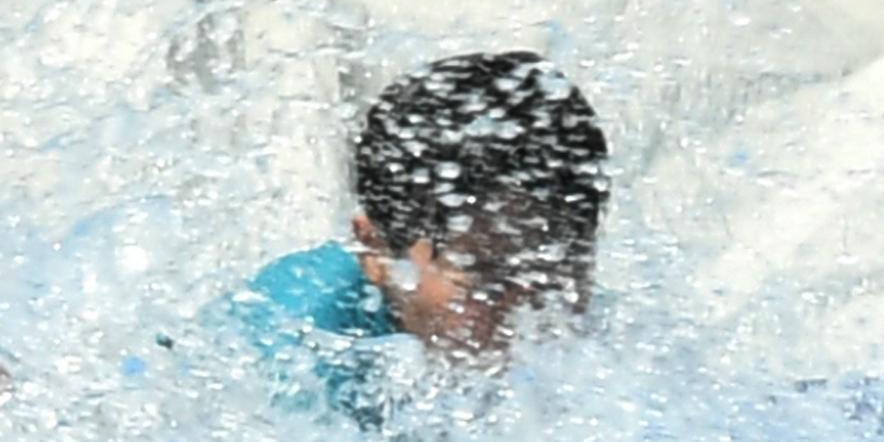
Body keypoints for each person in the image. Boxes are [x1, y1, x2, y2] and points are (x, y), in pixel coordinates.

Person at [231, 52, 609, 418]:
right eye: (486, 274)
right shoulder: (276, 363)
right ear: (374, 252)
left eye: (561, 266)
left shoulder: (620, 355)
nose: (531, 308)